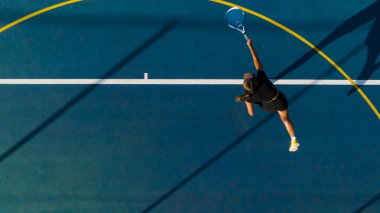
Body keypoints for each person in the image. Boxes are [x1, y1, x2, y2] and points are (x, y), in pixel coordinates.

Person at [235, 38, 299, 152]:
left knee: (274, 111)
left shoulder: (248, 97)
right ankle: (294, 140)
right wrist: (250, 46)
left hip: (267, 107)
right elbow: (256, 60)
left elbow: (251, 114)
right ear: (254, 81)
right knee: (285, 119)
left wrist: (249, 100)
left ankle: (294, 140)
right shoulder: (262, 79)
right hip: (279, 100)